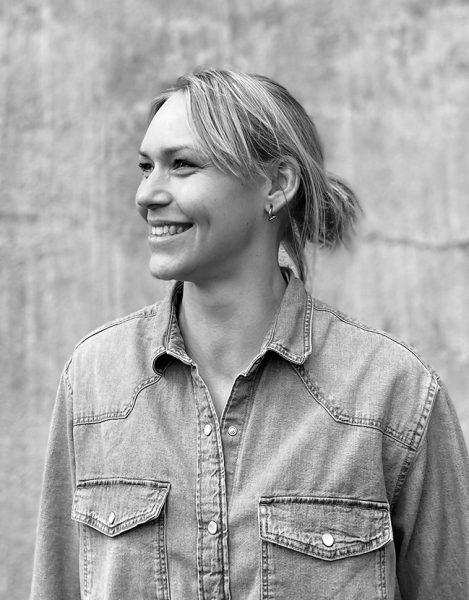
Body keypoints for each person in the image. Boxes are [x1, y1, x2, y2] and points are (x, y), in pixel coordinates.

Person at [30, 69, 469, 600]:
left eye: (182, 165)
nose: (147, 194)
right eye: (146, 167)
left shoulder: (393, 394)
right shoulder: (94, 379)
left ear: (277, 185)